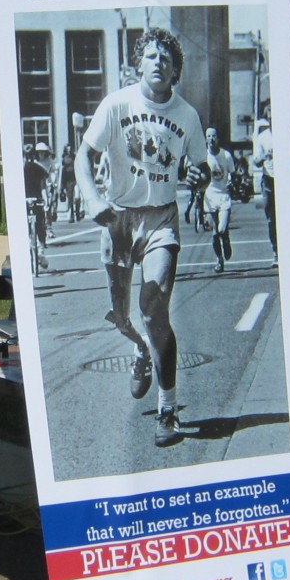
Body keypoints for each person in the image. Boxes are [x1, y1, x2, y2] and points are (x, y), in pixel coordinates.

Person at [75, 27, 209, 447]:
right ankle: (138, 350)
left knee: (154, 308)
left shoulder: (187, 116)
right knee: (124, 316)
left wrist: (198, 177)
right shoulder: (116, 105)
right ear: (139, 63)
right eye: (151, 56)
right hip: (117, 220)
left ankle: (167, 408)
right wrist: (92, 198)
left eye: (166, 59)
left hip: (160, 220)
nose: (158, 63)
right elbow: (84, 154)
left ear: (175, 72)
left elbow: (201, 168)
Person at [203, 126, 236, 274]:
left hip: (223, 196)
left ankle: (226, 239)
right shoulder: (203, 157)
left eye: (213, 136)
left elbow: (233, 174)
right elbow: (197, 173)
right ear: (206, 139)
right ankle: (219, 260)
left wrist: (231, 181)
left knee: (222, 229)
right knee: (215, 233)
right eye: (208, 136)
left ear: (218, 139)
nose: (211, 139)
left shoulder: (226, 155)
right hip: (209, 197)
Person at [253, 104, 277, 266]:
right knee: (271, 219)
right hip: (268, 179)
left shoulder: (285, 134)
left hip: (284, 181)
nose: (272, 120)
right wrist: (263, 156)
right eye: (269, 118)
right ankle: (276, 251)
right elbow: (256, 160)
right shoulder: (262, 137)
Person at [23, 144, 49, 268]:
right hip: (36, 200)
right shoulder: (39, 169)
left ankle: (34, 250)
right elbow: (43, 187)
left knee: (31, 226)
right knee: (40, 225)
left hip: (27, 200)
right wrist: (46, 201)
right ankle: (40, 252)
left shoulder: (21, 169)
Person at [60, 143, 81, 222]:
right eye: (67, 149)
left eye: (70, 149)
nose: (69, 150)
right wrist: (62, 185)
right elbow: (62, 172)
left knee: (77, 197)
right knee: (70, 199)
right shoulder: (64, 159)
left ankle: (78, 213)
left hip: (76, 179)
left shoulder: (75, 157)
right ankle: (71, 215)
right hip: (68, 181)